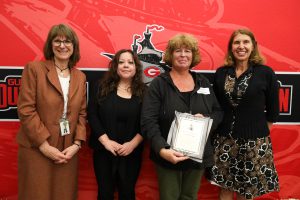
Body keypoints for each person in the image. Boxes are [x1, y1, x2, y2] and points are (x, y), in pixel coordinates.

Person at [141, 33, 223, 200]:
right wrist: (162, 150)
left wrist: (206, 120)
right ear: (171, 55)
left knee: (189, 196)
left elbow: (218, 112)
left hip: (197, 154)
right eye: (178, 51)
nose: (183, 55)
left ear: (193, 55)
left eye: (188, 51)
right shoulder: (159, 84)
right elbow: (148, 121)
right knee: (169, 197)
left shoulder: (203, 82)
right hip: (168, 153)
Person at [17, 23, 87, 200]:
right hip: (37, 147)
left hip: (67, 150)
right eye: (57, 40)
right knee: (36, 194)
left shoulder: (80, 76)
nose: (62, 45)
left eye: (67, 41)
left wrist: (76, 145)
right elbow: (26, 110)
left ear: (74, 46)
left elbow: (82, 113)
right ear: (50, 45)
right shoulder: (34, 69)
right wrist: (44, 145)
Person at [209, 29, 280, 199]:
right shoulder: (221, 73)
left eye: (245, 42)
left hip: (254, 142)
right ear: (231, 47)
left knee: (247, 191)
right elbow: (216, 107)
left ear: (253, 46)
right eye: (237, 42)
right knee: (225, 187)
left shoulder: (266, 73)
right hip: (224, 139)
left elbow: (273, 111)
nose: (241, 46)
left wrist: (258, 134)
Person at [88, 49, 146, 200]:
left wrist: (132, 144)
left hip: (131, 153)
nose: (126, 66)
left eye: (130, 62)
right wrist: (106, 142)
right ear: (115, 66)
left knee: (127, 193)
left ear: (136, 67)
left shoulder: (145, 92)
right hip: (104, 151)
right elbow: (92, 116)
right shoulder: (100, 87)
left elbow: (147, 122)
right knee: (105, 193)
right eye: (121, 62)